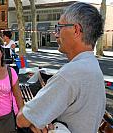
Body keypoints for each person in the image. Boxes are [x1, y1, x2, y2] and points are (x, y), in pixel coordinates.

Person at [16, 2, 106, 133]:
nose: (56, 34)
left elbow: (22, 119)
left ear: (76, 30)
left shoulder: (71, 73)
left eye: (59, 27)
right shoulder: (92, 65)